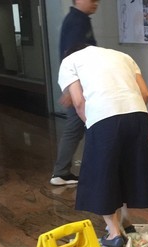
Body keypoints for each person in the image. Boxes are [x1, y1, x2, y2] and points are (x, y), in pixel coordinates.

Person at [58, 44, 148, 247]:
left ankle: (113, 233)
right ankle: (126, 223)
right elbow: (145, 93)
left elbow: (78, 101)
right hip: (137, 114)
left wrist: (91, 124)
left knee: (101, 175)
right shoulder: (123, 56)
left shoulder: (69, 61)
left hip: (103, 118)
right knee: (127, 169)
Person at [50, 0, 99, 186]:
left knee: (79, 127)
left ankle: (63, 171)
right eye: (92, 0)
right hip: (79, 84)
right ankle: (61, 172)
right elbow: (70, 55)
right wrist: (72, 89)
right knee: (77, 126)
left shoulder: (82, 19)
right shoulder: (76, 21)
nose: (96, 3)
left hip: (82, 83)